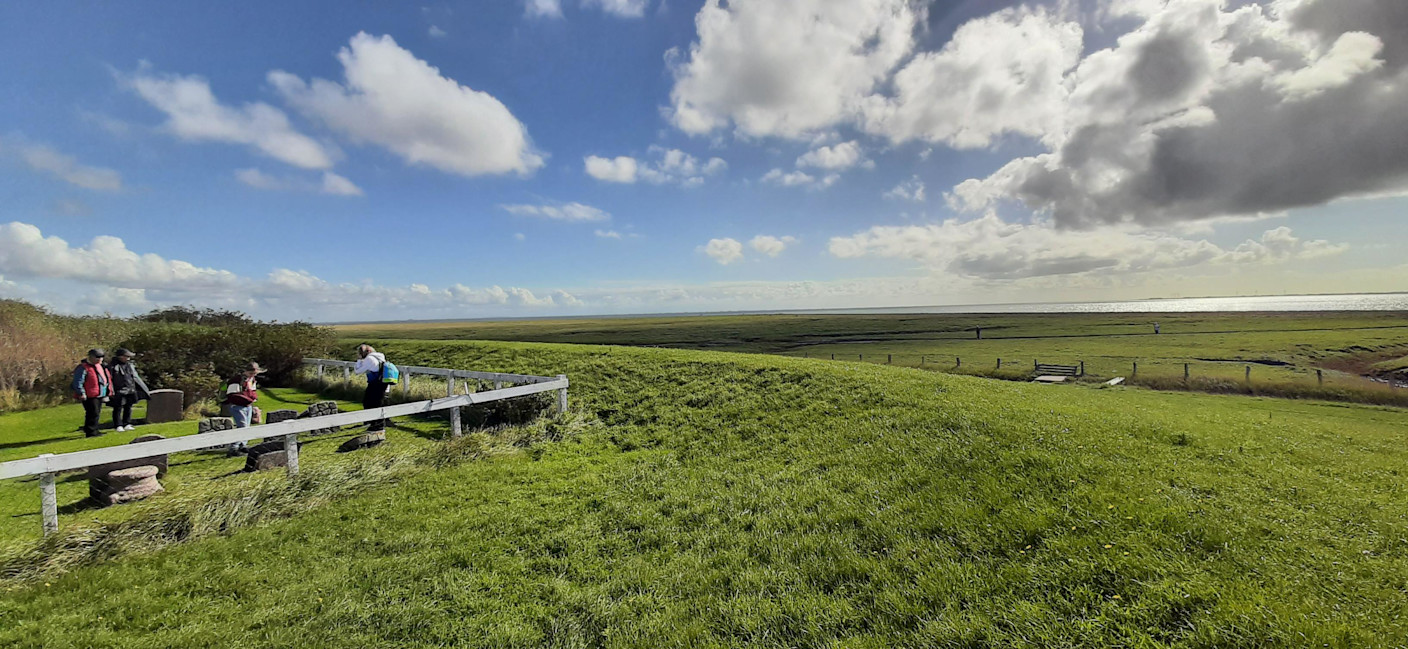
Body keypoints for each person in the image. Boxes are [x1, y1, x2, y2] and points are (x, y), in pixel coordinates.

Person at [224, 361, 265, 455]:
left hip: (248, 406)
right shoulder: (236, 380)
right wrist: (248, 399)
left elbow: (253, 392)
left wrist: (252, 400)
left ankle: (243, 445)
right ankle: (233, 448)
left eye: (254, 374)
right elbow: (232, 395)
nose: (252, 375)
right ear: (246, 371)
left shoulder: (252, 380)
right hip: (237, 406)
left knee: (247, 426)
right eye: (251, 373)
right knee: (242, 426)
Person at [105, 348, 149, 432]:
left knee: (128, 407)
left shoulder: (129, 365)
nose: (128, 358)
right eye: (126, 356)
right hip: (119, 390)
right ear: (120, 356)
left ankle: (127, 423)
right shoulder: (112, 366)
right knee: (118, 408)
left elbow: (134, 377)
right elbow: (109, 379)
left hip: (130, 389)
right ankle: (118, 425)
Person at [71, 348, 112, 437]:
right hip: (89, 395)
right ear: (91, 357)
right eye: (97, 357)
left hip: (99, 394)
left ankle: (95, 429)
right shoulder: (83, 368)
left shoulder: (100, 366)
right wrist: (81, 393)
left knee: (96, 413)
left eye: (101, 357)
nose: (100, 359)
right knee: (92, 413)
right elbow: (78, 381)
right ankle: (90, 431)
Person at [353, 344, 392, 433]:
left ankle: (375, 425)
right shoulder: (380, 357)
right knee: (377, 403)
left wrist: (359, 360)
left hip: (375, 384)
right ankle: (378, 423)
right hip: (382, 384)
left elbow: (357, 371)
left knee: (368, 403)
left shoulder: (369, 359)